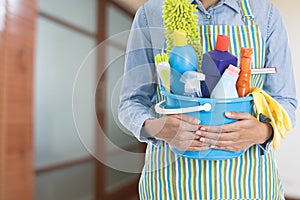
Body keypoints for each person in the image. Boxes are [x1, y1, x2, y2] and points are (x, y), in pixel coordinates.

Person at [118, 0, 297, 199]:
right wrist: (156, 127)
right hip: (173, 185)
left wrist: (263, 131)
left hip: (248, 184)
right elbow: (131, 101)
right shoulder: (151, 13)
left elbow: (285, 101)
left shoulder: (265, 14)